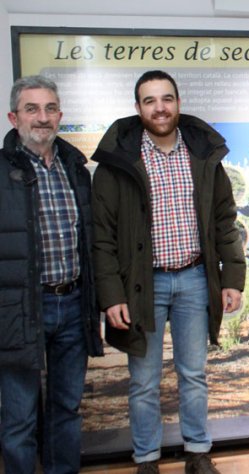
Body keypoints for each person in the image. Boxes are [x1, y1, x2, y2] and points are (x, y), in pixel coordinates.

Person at [91, 70, 245, 474]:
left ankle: (197, 452)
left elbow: (224, 221)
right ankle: (147, 459)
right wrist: (111, 295)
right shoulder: (117, 163)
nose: (159, 108)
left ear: (178, 102)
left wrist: (232, 278)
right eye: (149, 100)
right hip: (144, 285)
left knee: (193, 374)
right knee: (143, 381)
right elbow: (101, 237)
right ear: (138, 108)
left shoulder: (203, 156)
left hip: (195, 279)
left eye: (166, 99)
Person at [0, 75, 103, 473]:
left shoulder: (76, 169)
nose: (42, 118)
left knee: (66, 408)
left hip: (74, 304)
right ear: (14, 117)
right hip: (19, 309)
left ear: (59, 115)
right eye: (31, 109)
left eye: (49, 109)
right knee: (19, 418)